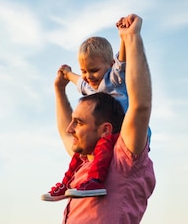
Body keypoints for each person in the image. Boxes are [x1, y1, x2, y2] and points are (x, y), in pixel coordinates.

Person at [52, 14, 155, 224]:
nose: (71, 129)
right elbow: (64, 132)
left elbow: (139, 106)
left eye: (79, 123)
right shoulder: (87, 164)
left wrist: (133, 38)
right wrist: (59, 91)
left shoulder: (124, 160)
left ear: (105, 131)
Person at [42, 36, 127, 201]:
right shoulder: (92, 89)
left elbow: (123, 60)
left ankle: (95, 181)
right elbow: (80, 82)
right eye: (84, 71)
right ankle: (67, 183)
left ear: (110, 65)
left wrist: (125, 38)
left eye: (94, 70)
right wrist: (67, 74)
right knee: (79, 152)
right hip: (104, 133)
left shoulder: (115, 80)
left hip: (122, 134)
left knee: (103, 144)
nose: (89, 76)